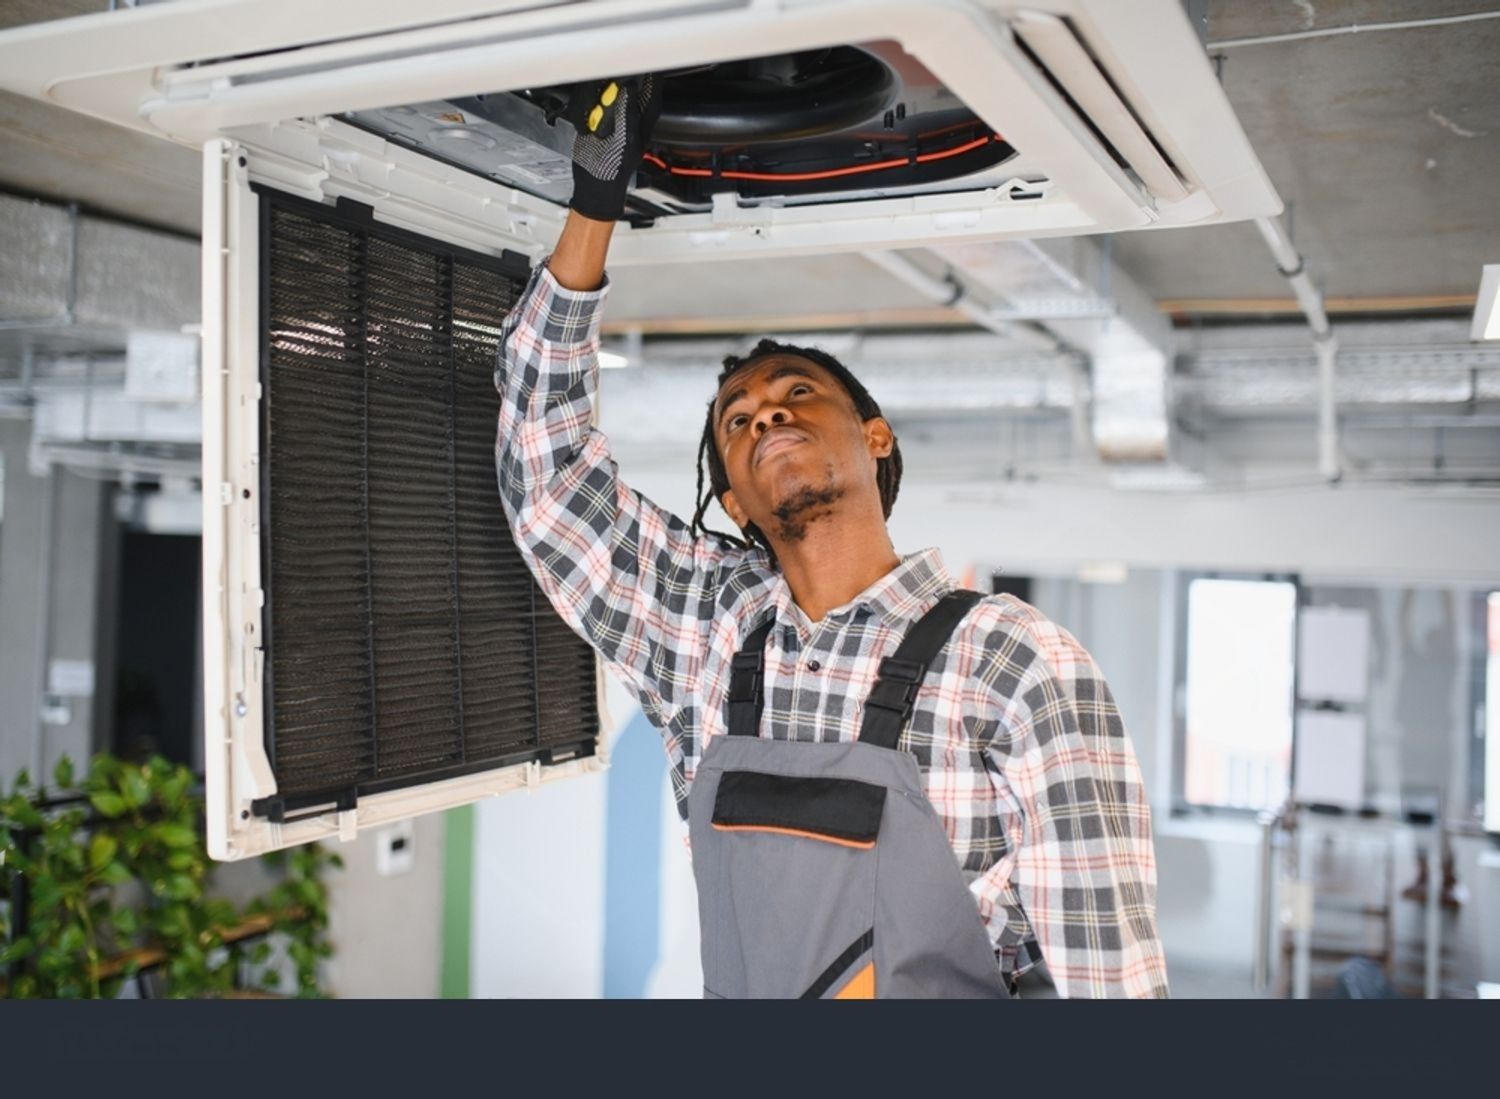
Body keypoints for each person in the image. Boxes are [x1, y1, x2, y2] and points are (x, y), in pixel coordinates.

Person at [495, 74, 1168, 998]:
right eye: (738, 420)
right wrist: (594, 205)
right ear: (732, 502)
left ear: (876, 438)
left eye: (797, 394)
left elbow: (1110, 983)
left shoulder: (1011, 661)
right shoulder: (705, 635)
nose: (766, 415)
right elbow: (551, 480)